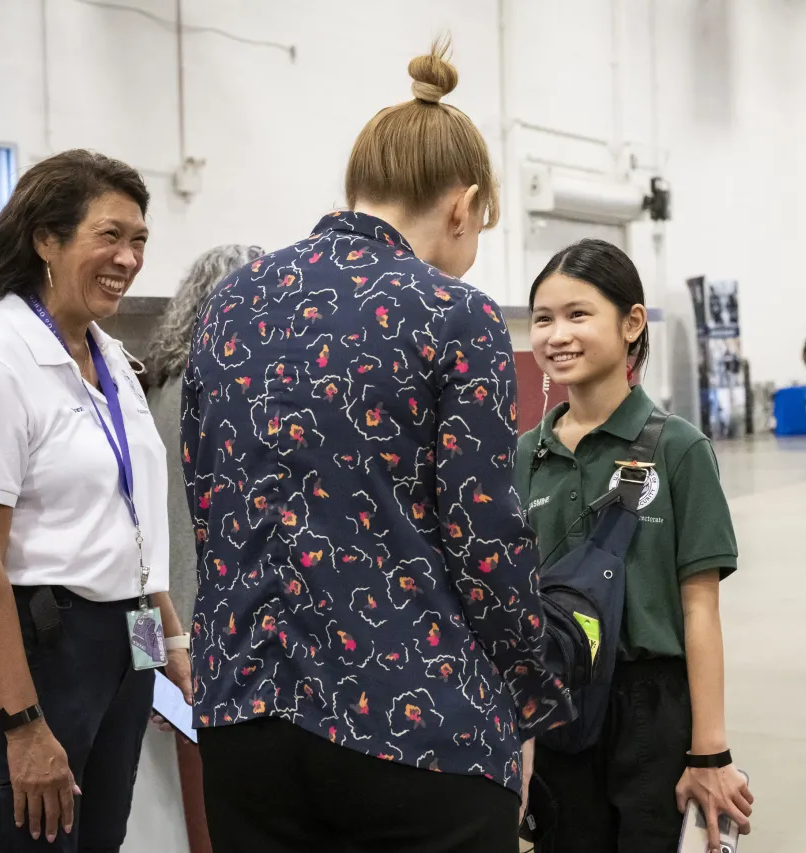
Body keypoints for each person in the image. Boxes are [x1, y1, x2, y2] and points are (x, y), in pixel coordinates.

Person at [181, 39, 571, 853]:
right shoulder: (454, 313)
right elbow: (483, 535)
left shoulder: (230, 304)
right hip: (411, 721)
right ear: (461, 206)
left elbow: (207, 502)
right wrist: (534, 686)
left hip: (242, 720)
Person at [0, 149, 192, 853]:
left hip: (121, 647)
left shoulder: (109, 359)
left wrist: (168, 640)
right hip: (37, 649)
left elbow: (129, 528)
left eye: (139, 241)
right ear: (46, 238)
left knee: (100, 841)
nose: (128, 258)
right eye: (110, 235)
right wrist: (22, 723)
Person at [517, 239, 753, 853]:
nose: (556, 334)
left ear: (632, 324)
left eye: (577, 314)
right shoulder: (523, 457)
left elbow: (700, 609)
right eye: (543, 318)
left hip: (653, 708)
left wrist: (711, 749)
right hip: (559, 702)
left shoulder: (681, 450)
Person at [142, 244, 265, 626]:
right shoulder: (227, 391)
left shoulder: (156, 386)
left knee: (147, 680)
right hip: (203, 612)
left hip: (146, 605)